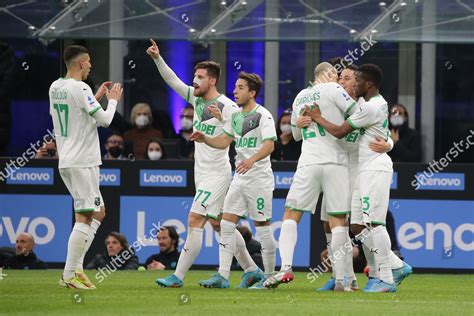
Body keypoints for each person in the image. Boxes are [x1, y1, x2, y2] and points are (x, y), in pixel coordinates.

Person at [147, 39, 260, 289]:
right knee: (220, 225)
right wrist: (157, 58)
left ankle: (177, 276)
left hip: (218, 175)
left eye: (199, 77)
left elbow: (231, 138)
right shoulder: (196, 100)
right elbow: (172, 80)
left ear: (212, 81)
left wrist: (208, 139)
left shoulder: (228, 107)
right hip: (202, 174)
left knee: (195, 219)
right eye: (194, 76)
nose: (194, 81)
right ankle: (252, 270)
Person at [308, 63, 412, 293]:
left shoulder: (368, 106)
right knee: (356, 225)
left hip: (370, 168)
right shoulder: (367, 103)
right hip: (353, 169)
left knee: (373, 223)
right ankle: (390, 267)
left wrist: (316, 116)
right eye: (345, 79)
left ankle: (382, 276)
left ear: (367, 84)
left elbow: (340, 131)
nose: (349, 83)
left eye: (353, 79)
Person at [263, 62, 358, 291]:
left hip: (309, 162)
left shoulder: (300, 96)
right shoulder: (335, 90)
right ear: (328, 75)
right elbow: (358, 113)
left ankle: (285, 267)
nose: (338, 79)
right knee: (337, 221)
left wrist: (301, 122)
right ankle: (343, 279)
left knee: (290, 214)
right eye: (336, 75)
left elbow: (295, 134)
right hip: (336, 162)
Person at [193, 72, 277, 289]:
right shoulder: (236, 117)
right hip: (240, 179)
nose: (235, 92)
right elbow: (223, 142)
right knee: (226, 224)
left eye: (240, 88)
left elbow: (270, 145)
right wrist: (205, 139)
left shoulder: (263, 116)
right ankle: (223, 275)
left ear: (252, 92)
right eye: (235, 87)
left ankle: (268, 277)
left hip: (259, 179)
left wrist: (251, 160)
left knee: (262, 226)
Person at [49, 44, 122, 289]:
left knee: (98, 212)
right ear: (80, 63)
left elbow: (76, 114)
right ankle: (69, 275)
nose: (91, 65)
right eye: (89, 61)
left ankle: (76, 268)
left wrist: (96, 97)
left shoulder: (56, 86)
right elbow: (104, 120)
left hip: (69, 159)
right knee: (84, 216)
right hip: (82, 160)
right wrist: (112, 101)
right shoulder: (80, 87)